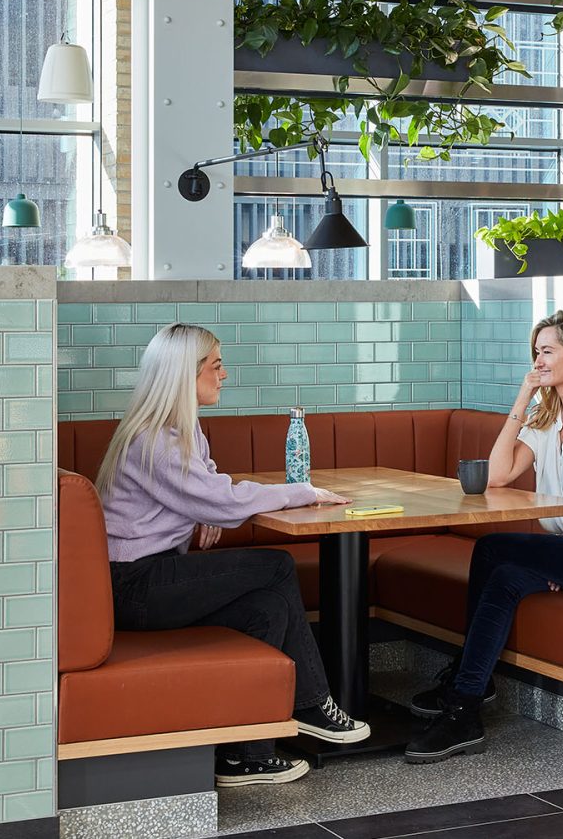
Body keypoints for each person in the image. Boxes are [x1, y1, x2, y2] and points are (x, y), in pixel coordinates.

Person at [96, 323, 369, 786]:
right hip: (134, 585)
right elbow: (221, 499)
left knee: (266, 607)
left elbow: (208, 494)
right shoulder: (155, 439)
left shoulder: (182, 432)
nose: (225, 375)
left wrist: (204, 512)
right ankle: (310, 703)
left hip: (154, 576)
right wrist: (301, 492)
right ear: (186, 374)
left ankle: (247, 755)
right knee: (277, 566)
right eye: (216, 366)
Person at [404, 311, 563, 764]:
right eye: (535, 352)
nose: (538, 360)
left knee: (500, 560)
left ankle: (464, 703)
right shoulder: (547, 415)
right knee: (498, 561)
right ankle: (472, 686)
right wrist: (524, 396)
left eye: (547, 351)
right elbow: (498, 476)